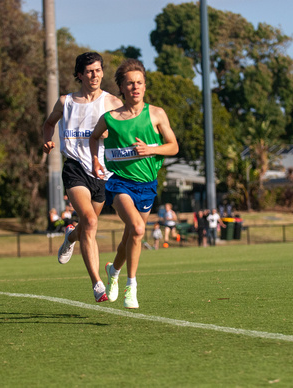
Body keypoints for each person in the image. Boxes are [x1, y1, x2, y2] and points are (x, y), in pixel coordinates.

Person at [90, 58, 178, 308]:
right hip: (119, 184)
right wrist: (96, 161)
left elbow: (173, 147)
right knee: (139, 230)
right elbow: (94, 138)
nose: (135, 87)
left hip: (148, 185)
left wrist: (150, 150)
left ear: (145, 86)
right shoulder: (110, 118)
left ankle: (114, 272)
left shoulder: (157, 114)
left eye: (139, 82)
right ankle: (132, 286)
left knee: (129, 238)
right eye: (129, 83)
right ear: (122, 88)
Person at [42, 52, 123, 303]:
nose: (95, 75)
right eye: (89, 71)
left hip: (102, 172)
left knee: (87, 225)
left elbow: (126, 128)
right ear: (79, 74)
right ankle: (97, 283)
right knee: (89, 219)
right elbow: (49, 124)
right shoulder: (66, 102)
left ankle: (70, 236)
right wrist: (45, 140)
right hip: (75, 167)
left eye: (98, 70)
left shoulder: (112, 102)